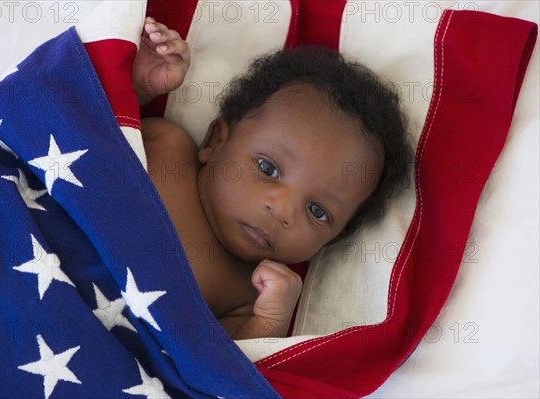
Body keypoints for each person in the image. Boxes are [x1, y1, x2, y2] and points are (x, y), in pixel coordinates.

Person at [133, 17, 411, 340]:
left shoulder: (247, 296)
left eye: (317, 211)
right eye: (268, 169)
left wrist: (270, 321)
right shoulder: (168, 147)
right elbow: (88, 124)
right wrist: (138, 88)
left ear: (332, 240)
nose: (282, 210)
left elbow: (222, 372)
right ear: (215, 142)